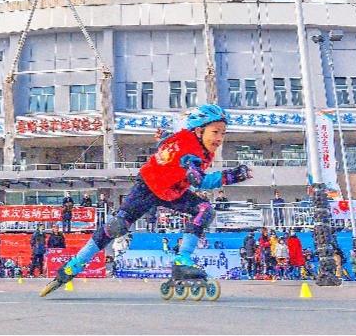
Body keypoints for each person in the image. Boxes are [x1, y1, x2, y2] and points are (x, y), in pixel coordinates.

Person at [40, 104, 253, 296]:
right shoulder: (191, 151)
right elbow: (199, 180)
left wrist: (163, 138)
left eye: (223, 133)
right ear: (198, 131)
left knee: (205, 210)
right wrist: (232, 175)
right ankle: (73, 266)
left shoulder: (190, 140)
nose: (219, 138)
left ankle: (182, 260)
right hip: (148, 188)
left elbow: (168, 143)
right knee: (117, 226)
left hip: (172, 191)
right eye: (215, 132)